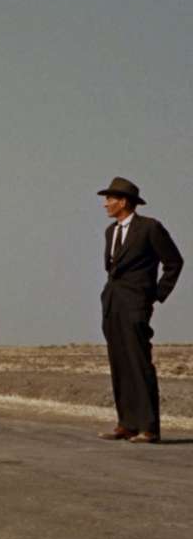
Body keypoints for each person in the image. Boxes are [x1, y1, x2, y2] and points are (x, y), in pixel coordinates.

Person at [97, 178, 183, 444]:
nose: (105, 204)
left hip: (136, 305)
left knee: (138, 363)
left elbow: (174, 262)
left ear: (123, 202)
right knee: (119, 364)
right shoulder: (110, 232)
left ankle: (149, 427)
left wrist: (155, 295)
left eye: (110, 199)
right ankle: (127, 424)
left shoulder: (149, 228)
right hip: (113, 305)